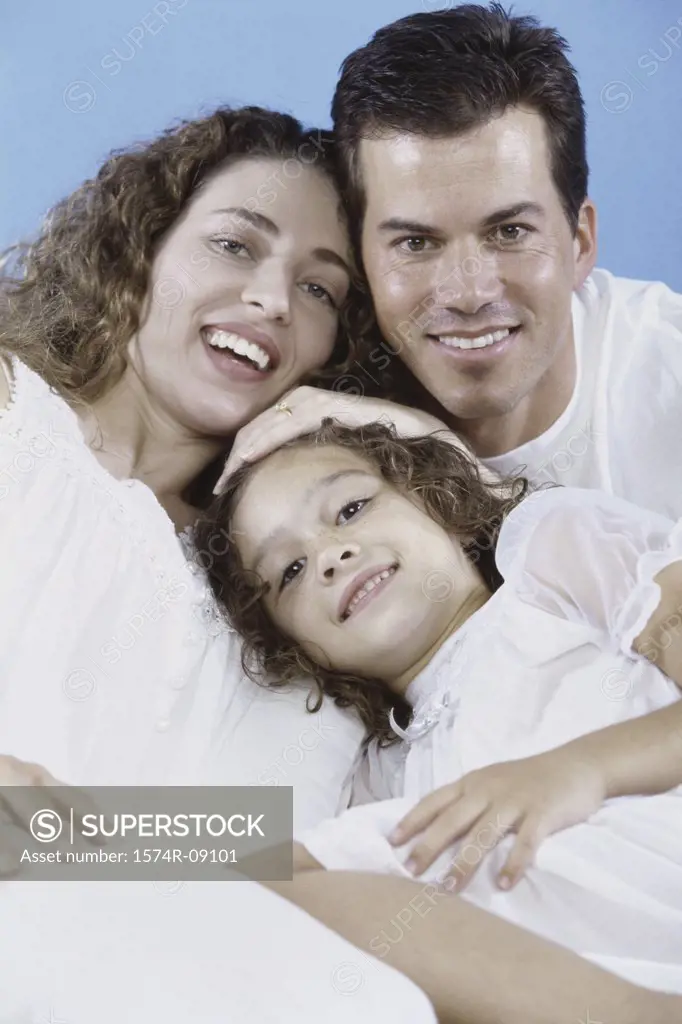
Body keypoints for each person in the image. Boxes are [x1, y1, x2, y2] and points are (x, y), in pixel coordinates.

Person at [0, 105, 436, 1024]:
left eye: (321, 291)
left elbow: (272, 858)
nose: (275, 301)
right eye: (236, 245)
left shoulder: (292, 614)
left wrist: (426, 443)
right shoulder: (15, 421)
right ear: (143, 244)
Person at [198, 418, 682, 997]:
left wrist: (581, 770)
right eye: (291, 572)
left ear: (436, 497)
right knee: (270, 883)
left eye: (350, 509)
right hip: (575, 976)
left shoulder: (549, 564)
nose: (330, 556)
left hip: (658, 847)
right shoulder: (382, 772)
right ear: (298, 649)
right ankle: (114, 837)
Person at [223, 4, 682, 525]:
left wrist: (452, 462)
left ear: (579, 242)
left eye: (510, 232)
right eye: (416, 243)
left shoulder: (668, 370)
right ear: (361, 258)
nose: (468, 294)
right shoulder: (316, 388)